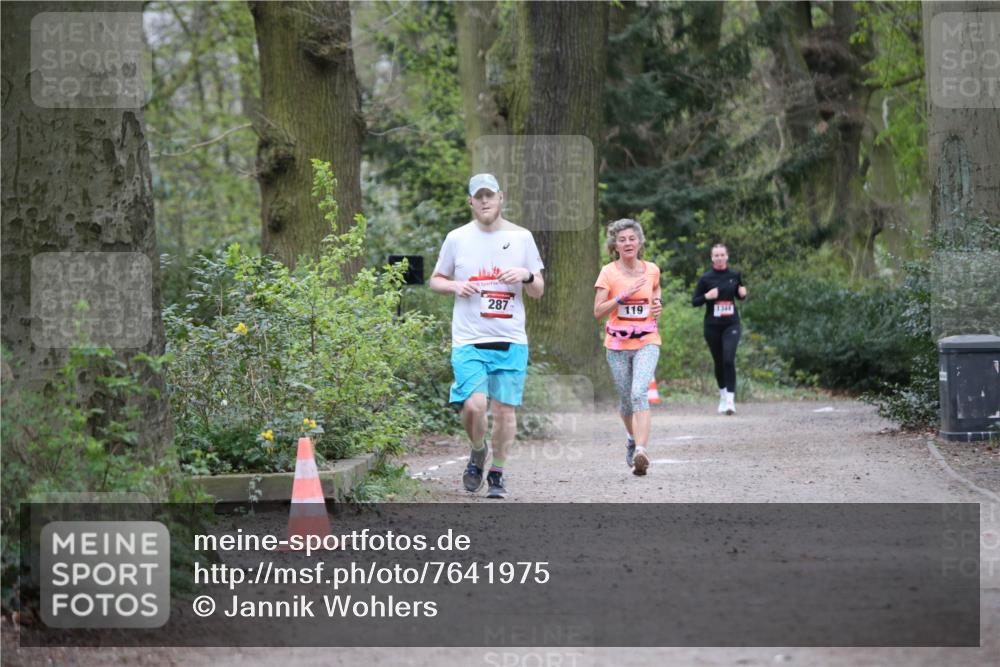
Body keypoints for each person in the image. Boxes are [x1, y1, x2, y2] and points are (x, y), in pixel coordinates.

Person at [429, 173, 545, 499]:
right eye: (478, 196)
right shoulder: (457, 238)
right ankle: (478, 450)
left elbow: (538, 290)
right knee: (475, 406)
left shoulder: (521, 237)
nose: (484, 201)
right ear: (470, 201)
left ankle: (497, 472)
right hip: (468, 339)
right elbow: (436, 279)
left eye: (489, 195)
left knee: (505, 412)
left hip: (510, 339)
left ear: (500, 197)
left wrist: (525, 274)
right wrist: (454, 285)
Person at [594, 219, 663, 476]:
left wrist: (658, 304)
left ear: (640, 241)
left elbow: (656, 293)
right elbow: (598, 311)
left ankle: (641, 451)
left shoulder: (652, 270)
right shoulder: (608, 272)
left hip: (647, 342)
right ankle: (632, 439)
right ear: (615, 245)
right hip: (617, 344)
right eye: (622, 240)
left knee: (638, 393)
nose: (627, 243)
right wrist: (621, 297)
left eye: (632, 238)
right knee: (625, 402)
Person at [691, 243, 747, 415]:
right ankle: (723, 395)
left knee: (729, 359)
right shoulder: (706, 278)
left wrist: (743, 294)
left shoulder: (735, 275)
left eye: (722, 255)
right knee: (719, 361)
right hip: (712, 326)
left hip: (731, 324)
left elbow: (739, 294)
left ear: (727, 256)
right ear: (712, 258)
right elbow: (695, 301)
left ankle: (730, 400)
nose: (720, 258)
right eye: (716, 255)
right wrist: (707, 296)